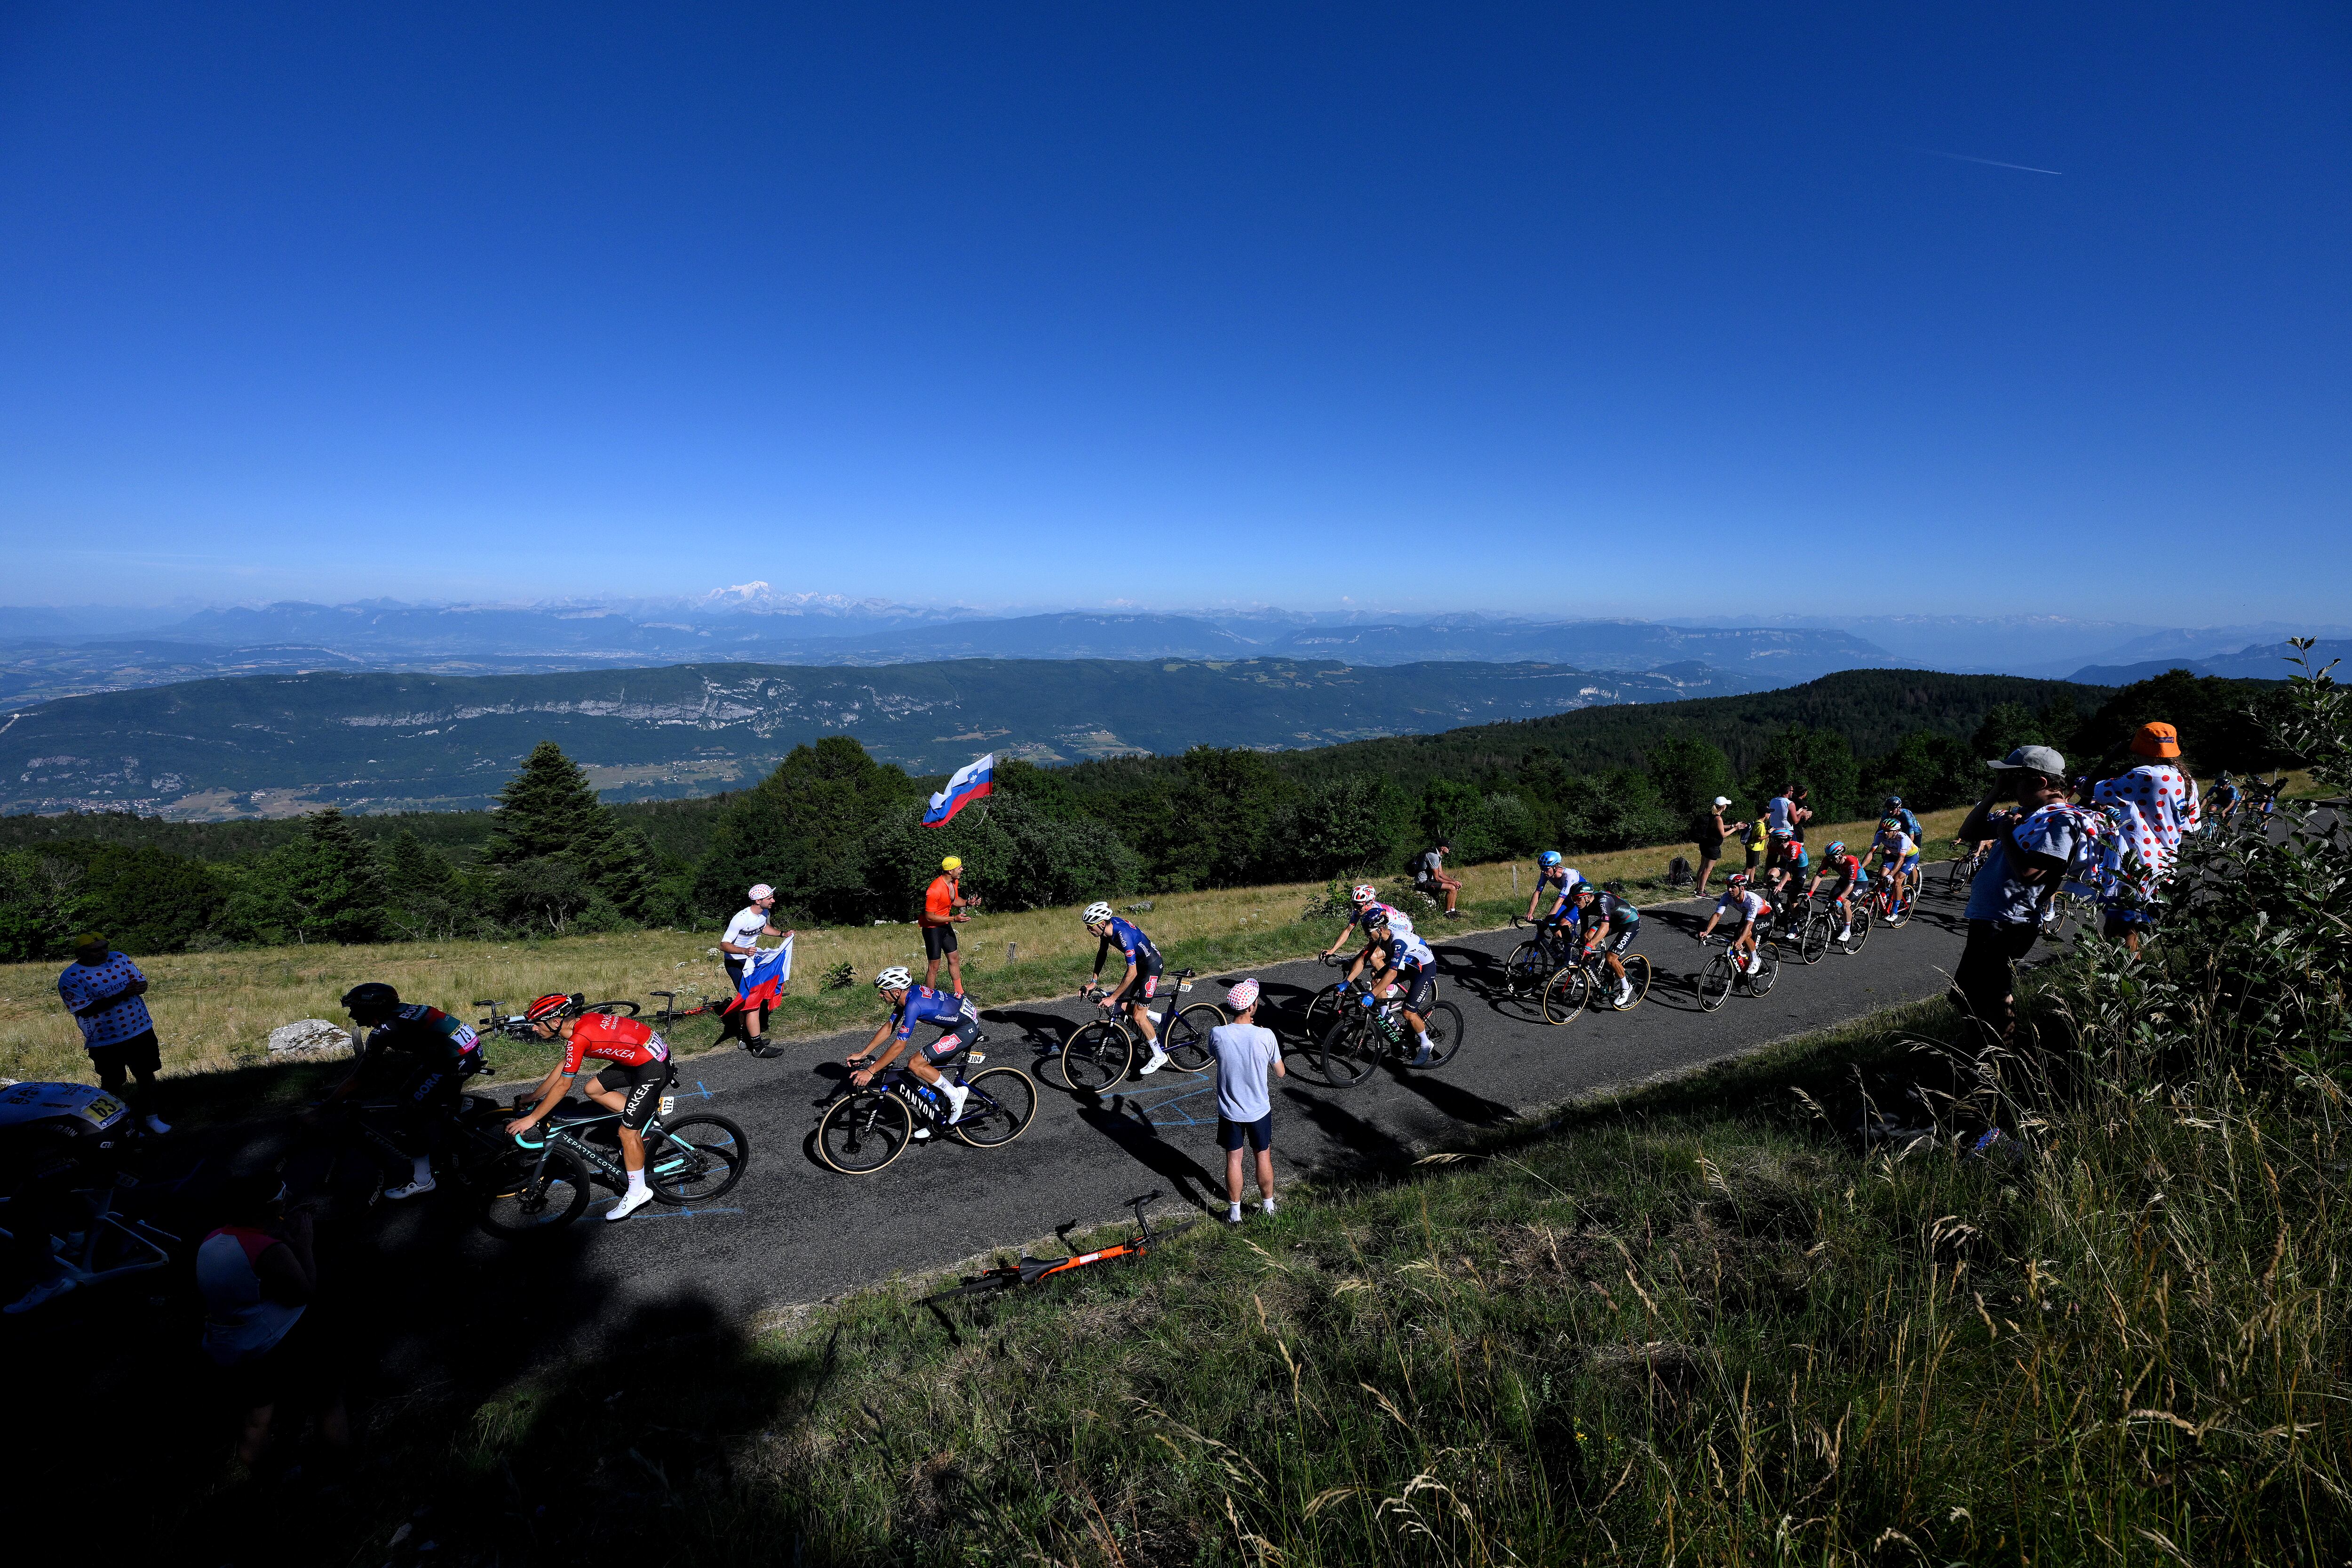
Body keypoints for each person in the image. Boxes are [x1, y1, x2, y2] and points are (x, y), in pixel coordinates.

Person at [197, 1173, 347, 1468]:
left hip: (230, 1342)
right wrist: (304, 1243)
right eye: (281, 1197)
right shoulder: (270, 1252)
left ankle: (264, 1486)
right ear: (261, 1210)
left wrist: (277, 1228)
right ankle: (343, 1468)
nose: (288, 1196)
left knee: (257, 1419)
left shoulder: (214, 1239)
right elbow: (304, 1292)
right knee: (328, 1398)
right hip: (271, 1341)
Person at [1954, 745, 2088, 1052]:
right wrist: (1994, 792)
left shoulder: (2060, 820)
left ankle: (1999, 1059)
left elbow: (2032, 873)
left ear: (2040, 782)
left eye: (2016, 780)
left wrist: (2005, 834)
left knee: (1992, 993)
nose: (2012, 787)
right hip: (1992, 915)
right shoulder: (2025, 814)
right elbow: (1971, 830)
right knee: (1969, 994)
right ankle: (1979, 1053)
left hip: (2009, 920)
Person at [509, 994, 677, 1222]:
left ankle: (638, 1192)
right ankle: (647, 1118)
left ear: (556, 1022)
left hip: (652, 1067)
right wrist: (533, 1096)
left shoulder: (579, 1038)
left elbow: (564, 1085)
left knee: (627, 1133)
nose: (535, 1030)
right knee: (593, 1089)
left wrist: (532, 1118)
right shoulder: (583, 1024)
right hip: (643, 1057)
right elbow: (564, 1066)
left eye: (537, 1024)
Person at [321, 983, 484, 1200]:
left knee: (410, 1107)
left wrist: (321, 1111)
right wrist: (339, 1088)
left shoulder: (387, 1030)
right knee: (411, 1090)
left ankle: (424, 1180)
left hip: (456, 1059)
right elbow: (365, 1065)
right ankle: (457, 1109)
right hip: (463, 1051)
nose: (351, 1014)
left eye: (356, 1009)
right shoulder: (401, 1012)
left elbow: (361, 1076)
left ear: (373, 1009)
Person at [2090, 721, 2202, 950]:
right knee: (2131, 929)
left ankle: (2123, 978)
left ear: (2138, 748)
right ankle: (2129, 977)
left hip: (2135, 862)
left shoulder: (2144, 775)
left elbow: (2095, 791)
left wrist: (2111, 756)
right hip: (2163, 863)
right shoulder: (2187, 780)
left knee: (2119, 932)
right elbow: (2192, 826)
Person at [55, 933, 169, 1135]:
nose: (102, 953)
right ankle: (119, 1127)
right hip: (105, 1040)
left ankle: (152, 1118)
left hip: (140, 1029)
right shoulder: (71, 977)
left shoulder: (120, 958)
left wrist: (141, 986)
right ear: (80, 953)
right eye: (95, 950)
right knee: (113, 1083)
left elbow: (139, 981)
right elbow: (83, 1009)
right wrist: (124, 993)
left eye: (104, 947)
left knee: (146, 1075)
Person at [846, 966, 975, 1136]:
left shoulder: (913, 1005)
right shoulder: (907, 997)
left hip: (965, 1029)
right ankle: (937, 1114)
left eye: (883, 991)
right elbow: (889, 1027)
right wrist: (863, 1053)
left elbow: (900, 1045)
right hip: (960, 1020)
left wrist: (871, 1071)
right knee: (928, 1070)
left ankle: (956, 1096)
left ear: (896, 991)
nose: (880, 995)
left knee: (916, 1064)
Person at [1208, 979, 1284, 1226]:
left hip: (1230, 1112)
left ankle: (1234, 1212)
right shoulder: (1265, 1035)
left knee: (1234, 1159)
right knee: (1263, 1156)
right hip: (1259, 1110)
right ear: (1252, 1006)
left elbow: (1215, 1055)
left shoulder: (1218, 1034)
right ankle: (1269, 1207)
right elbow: (1281, 1072)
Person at [1083, 900, 1169, 1075]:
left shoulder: (1123, 935)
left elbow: (1132, 971)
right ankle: (1157, 1018)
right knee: (1121, 1006)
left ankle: (1159, 1055)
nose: (1088, 930)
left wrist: (1113, 996)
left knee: (1138, 1017)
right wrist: (1094, 982)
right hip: (1140, 966)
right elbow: (1102, 954)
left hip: (1151, 967)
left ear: (1100, 924)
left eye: (1090, 926)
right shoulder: (1106, 931)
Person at [1361, 907, 1441, 1066]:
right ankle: (1386, 1018)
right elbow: (1363, 958)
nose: (1367, 936)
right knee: (1376, 981)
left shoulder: (1398, 942)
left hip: (1424, 969)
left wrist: (1371, 995)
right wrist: (1348, 966)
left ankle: (1426, 1044)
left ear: (1381, 929)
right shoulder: (1379, 939)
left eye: (1369, 932)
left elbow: (1391, 974)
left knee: (1408, 1012)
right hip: (1409, 964)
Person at [720, 884, 790, 1049]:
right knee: (750, 999)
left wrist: (782, 934)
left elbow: (763, 927)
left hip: (751, 960)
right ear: (758, 901)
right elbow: (724, 945)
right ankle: (753, 1043)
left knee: (753, 998)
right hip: (736, 962)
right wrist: (744, 950)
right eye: (769, 898)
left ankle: (747, 1036)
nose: (773, 900)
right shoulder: (741, 918)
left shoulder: (764, 913)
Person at [1568, 881, 1641, 1006]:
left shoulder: (1602, 900)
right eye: (1573, 898)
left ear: (1587, 897)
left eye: (1577, 899)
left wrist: (1590, 946)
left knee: (1611, 958)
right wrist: (1584, 947)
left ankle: (1626, 986)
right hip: (1614, 920)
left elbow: (1605, 928)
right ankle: (1592, 973)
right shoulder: (1582, 907)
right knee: (1588, 937)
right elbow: (1584, 932)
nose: (1575, 902)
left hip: (1630, 922)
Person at [919, 856, 977, 993]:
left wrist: (968, 903)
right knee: (934, 966)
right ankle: (929, 998)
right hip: (932, 929)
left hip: (946, 925)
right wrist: (954, 919)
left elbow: (954, 900)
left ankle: (960, 993)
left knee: (954, 958)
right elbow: (929, 917)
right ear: (950, 871)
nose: (962, 869)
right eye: (959, 868)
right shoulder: (934, 890)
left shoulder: (954, 882)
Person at [1696, 872, 1770, 975]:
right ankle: (1743, 975)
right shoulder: (1727, 897)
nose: (1729, 890)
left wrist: (1740, 941)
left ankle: (1755, 960)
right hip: (1747, 915)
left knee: (1744, 935)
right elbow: (1717, 915)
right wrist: (1706, 932)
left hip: (1764, 917)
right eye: (1728, 887)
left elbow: (1749, 925)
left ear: (1742, 889)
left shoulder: (1751, 900)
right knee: (1734, 945)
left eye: (1733, 887)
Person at [1520, 852, 1582, 958]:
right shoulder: (1547, 873)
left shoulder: (1569, 875)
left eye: (1546, 868)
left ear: (1556, 867)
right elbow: (1538, 892)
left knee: (1563, 924)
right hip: (1568, 900)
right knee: (1553, 924)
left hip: (1580, 902)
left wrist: (1546, 921)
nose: (1543, 871)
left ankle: (1571, 955)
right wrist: (1530, 913)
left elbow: (1559, 901)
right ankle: (1565, 952)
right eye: (1541, 868)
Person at [1806, 840, 1867, 945]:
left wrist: (1840, 899)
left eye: (1833, 858)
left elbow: (1851, 885)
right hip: (1844, 880)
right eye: (1829, 857)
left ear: (1842, 855)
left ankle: (1847, 931)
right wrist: (1811, 892)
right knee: (1831, 903)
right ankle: (1839, 923)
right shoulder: (1828, 860)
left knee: (1845, 903)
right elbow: (1819, 876)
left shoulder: (1851, 862)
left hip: (1859, 883)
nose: (1831, 860)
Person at [1862, 816, 1917, 919]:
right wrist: (1861, 868)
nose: (1885, 833)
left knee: (1897, 881)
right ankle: (1885, 896)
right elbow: (1871, 852)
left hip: (1909, 857)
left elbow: (1901, 859)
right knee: (1881, 876)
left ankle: (1895, 912)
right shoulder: (1880, 835)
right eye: (1884, 830)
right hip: (1894, 855)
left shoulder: (1903, 838)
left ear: (1896, 832)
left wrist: (1891, 875)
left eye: (1889, 831)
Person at [1693, 796, 1734, 895]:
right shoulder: (1718, 818)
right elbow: (1723, 835)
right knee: (1708, 870)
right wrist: (1735, 829)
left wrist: (1731, 826)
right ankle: (1701, 891)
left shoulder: (1711, 815)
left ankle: (1698, 888)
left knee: (1702, 867)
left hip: (1705, 844)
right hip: (1713, 846)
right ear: (1723, 807)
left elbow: (1718, 826)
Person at [1412, 840, 1462, 917]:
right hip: (1423, 883)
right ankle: (1447, 913)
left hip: (1429, 881)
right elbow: (1437, 878)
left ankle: (1453, 911)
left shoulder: (1438, 856)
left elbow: (1441, 873)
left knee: (1454, 887)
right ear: (1442, 848)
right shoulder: (1433, 856)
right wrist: (1452, 883)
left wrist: (1455, 882)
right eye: (1448, 847)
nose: (1450, 849)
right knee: (1451, 888)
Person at [1740, 812, 1769, 879]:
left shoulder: (1757, 822)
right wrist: (1769, 835)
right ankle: (1745, 881)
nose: (1770, 815)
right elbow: (1759, 838)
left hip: (1751, 846)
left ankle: (1751, 882)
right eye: (1769, 813)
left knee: (1753, 866)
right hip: (1755, 848)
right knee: (1750, 866)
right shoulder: (1761, 826)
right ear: (1765, 814)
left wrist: (1768, 832)